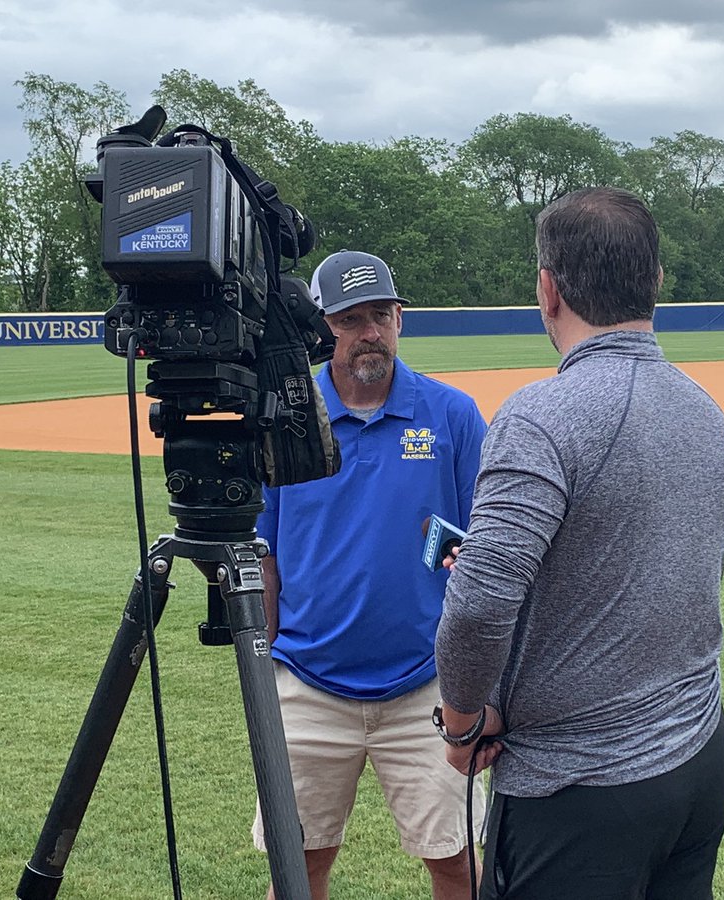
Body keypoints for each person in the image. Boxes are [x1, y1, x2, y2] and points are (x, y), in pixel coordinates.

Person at [433, 187, 724, 900]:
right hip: (698, 755)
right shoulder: (704, 407)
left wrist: (462, 724)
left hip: (581, 785)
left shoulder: (542, 415)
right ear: (654, 280)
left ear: (548, 289)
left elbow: (478, 604)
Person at [252, 249, 489, 900]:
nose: (370, 333)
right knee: (298, 871)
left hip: (426, 689)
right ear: (324, 326)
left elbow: (489, 552)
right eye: (351, 319)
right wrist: (267, 667)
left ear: (400, 320)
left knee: (455, 864)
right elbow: (264, 553)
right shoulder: (285, 419)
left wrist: (482, 682)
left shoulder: (451, 415)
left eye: (381, 315)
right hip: (306, 684)